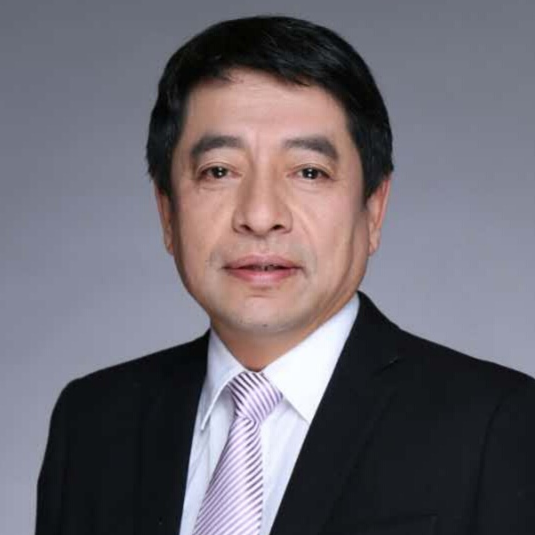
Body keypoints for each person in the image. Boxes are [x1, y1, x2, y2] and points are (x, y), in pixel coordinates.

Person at [36, 15, 535, 535]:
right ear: (167, 212)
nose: (260, 215)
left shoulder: (496, 425)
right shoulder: (92, 423)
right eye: (219, 171)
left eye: (309, 172)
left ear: (373, 209)